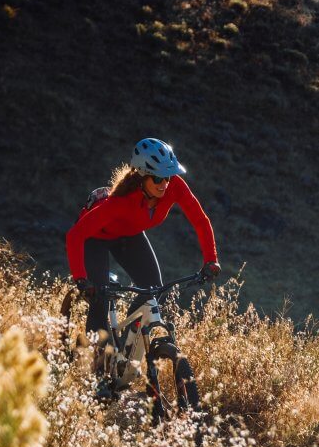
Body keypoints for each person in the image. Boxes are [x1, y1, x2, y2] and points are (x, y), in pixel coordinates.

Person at [65, 138, 220, 385]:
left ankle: (125, 352)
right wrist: (81, 279)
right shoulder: (119, 202)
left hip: (128, 235)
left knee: (153, 290)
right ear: (142, 176)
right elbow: (75, 236)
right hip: (95, 239)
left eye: (168, 177)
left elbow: (201, 221)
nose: (165, 184)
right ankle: (98, 379)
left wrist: (211, 260)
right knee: (99, 301)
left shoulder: (175, 186)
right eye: (158, 178)